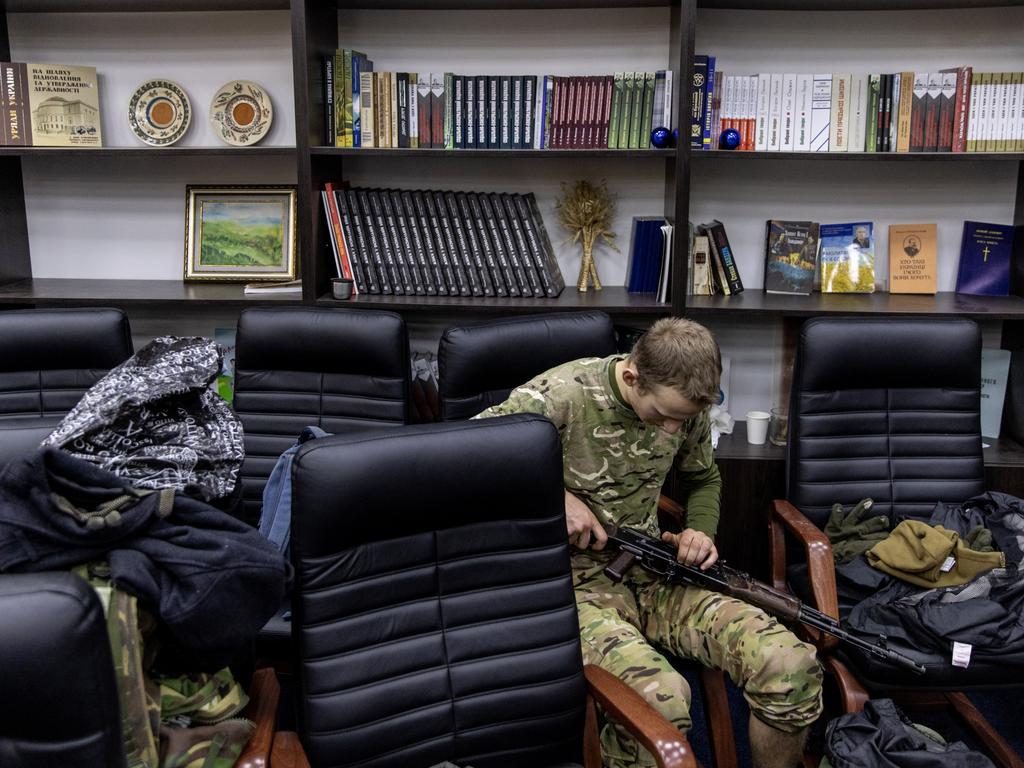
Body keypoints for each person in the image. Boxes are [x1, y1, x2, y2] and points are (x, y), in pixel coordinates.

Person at [474, 318, 822, 768]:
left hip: (657, 568)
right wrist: (555, 498)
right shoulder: (562, 394)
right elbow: (467, 454)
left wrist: (699, 529)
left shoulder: (683, 410)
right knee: (662, 700)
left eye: (685, 420)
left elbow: (702, 477)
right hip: (571, 586)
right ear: (633, 377)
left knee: (788, 664)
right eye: (663, 416)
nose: (674, 430)